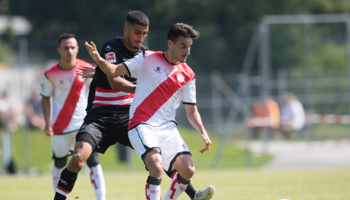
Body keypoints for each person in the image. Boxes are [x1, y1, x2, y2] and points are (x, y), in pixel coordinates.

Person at [55, 11, 214, 200]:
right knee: (77, 159)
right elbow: (114, 80)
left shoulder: (146, 54)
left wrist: (102, 72)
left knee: (157, 160)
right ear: (126, 29)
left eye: (144, 33)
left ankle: (193, 195)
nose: (141, 37)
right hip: (100, 116)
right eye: (137, 32)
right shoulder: (111, 47)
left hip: (128, 116)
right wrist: (104, 68)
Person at [41, 33, 106, 200]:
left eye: (72, 47)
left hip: (84, 125)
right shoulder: (50, 74)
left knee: (93, 162)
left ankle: (101, 198)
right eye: (66, 48)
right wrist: (47, 121)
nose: (69, 50)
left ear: (77, 49)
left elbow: (98, 92)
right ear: (59, 50)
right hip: (60, 127)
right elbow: (45, 97)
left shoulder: (86, 68)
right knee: (59, 165)